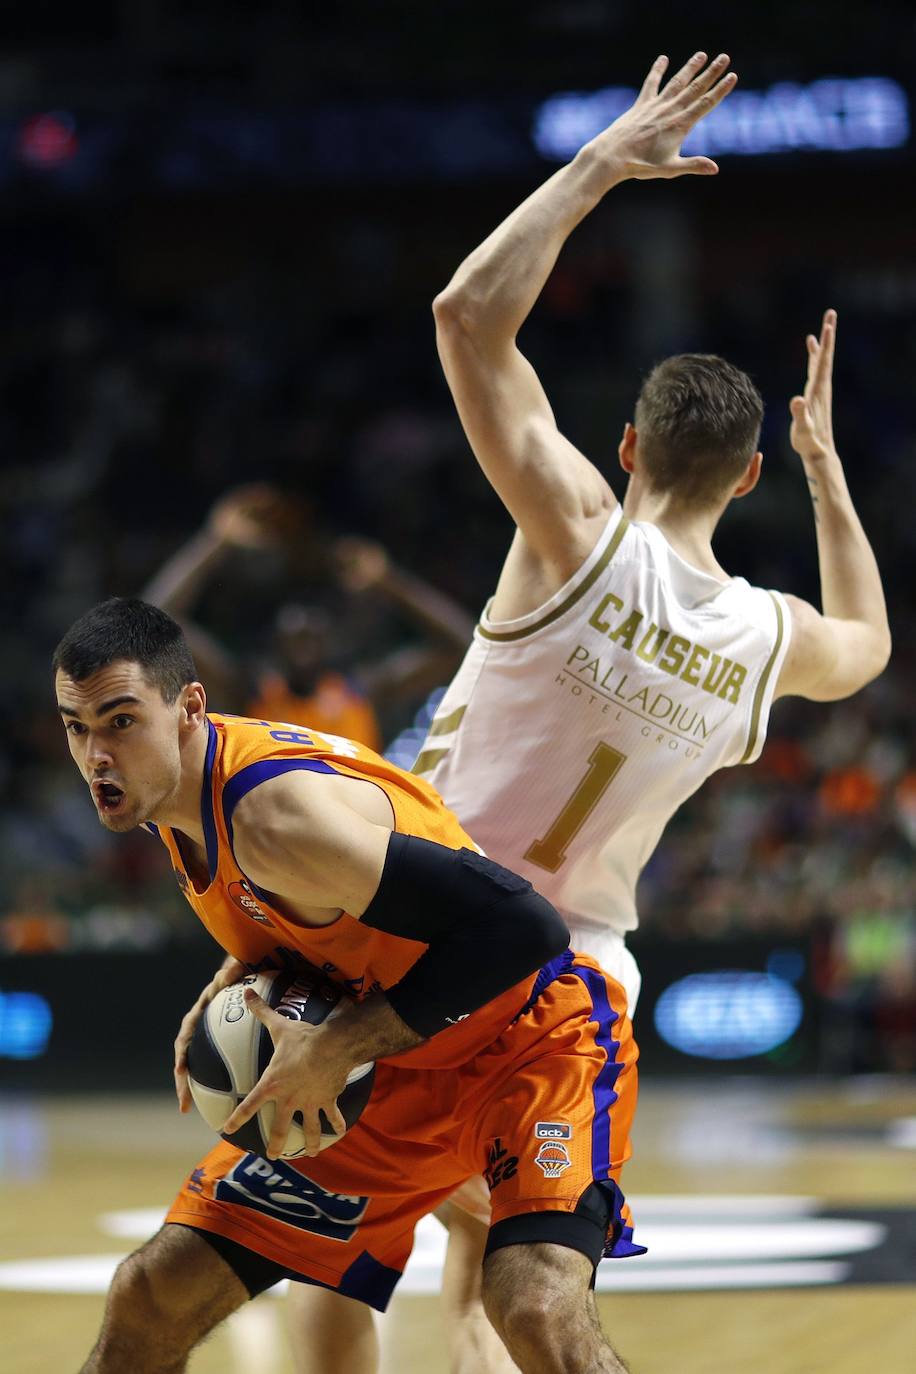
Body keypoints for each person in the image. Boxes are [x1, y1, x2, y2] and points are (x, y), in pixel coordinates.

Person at [288, 51, 891, 1374]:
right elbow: (867, 646)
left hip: (412, 924)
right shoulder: (765, 637)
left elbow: (464, 316)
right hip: (576, 976)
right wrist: (830, 474)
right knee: (504, 1284)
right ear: (745, 482)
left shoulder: (571, 533)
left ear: (624, 447)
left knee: (337, 1230)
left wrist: (604, 164)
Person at [55, 596, 645, 1374]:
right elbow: (308, 917)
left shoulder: (273, 817)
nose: (97, 752)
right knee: (151, 1294)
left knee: (532, 1305)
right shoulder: (169, 798)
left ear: (188, 707)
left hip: (530, 1043)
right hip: (396, 1070)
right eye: (77, 727)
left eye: (120, 721)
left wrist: (338, 1046)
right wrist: (230, 975)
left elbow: (525, 929)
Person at [142, 483, 474, 748]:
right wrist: (214, 541)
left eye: (311, 636)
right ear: (274, 644)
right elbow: (151, 625)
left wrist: (390, 581)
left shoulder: (365, 692)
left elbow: (464, 647)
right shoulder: (249, 693)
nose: (303, 641)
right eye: (293, 635)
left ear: (330, 643)